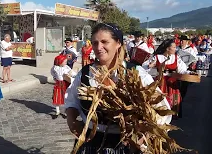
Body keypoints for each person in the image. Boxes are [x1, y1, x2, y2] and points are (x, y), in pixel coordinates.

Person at [65, 23, 171, 153]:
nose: (99, 47)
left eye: (105, 42)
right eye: (95, 43)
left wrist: (143, 135)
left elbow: (162, 110)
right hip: (90, 141)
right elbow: (72, 101)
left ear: (118, 43)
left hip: (124, 144)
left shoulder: (135, 73)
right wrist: (71, 120)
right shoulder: (85, 73)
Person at [143, 39, 191, 118]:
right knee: (160, 100)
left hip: (172, 83)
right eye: (174, 47)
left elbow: (182, 70)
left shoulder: (176, 58)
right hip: (160, 82)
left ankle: (171, 114)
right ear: (167, 49)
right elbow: (144, 67)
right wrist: (149, 66)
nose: (175, 49)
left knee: (173, 99)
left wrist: (189, 73)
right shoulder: (157, 57)